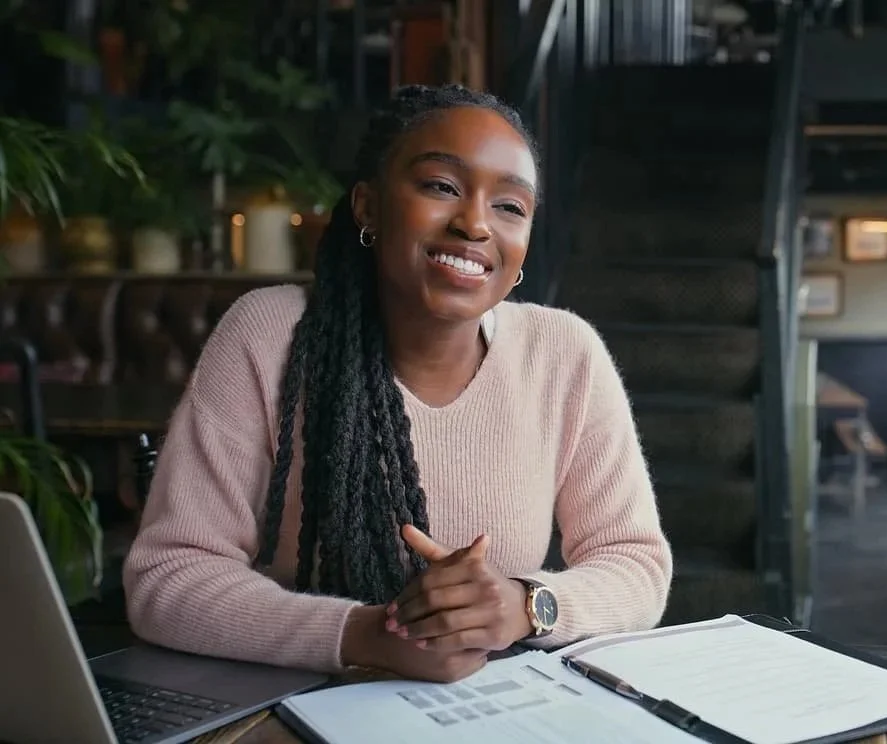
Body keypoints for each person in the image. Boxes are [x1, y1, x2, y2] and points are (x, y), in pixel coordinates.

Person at [123, 83, 672, 683]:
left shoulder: (565, 353)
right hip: (294, 705)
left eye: (509, 207)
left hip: (486, 713)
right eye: (442, 187)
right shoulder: (271, 334)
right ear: (367, 206)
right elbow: (168, 577)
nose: (475, 224)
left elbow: (636, 563)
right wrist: (366, 635)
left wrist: (524, 604)